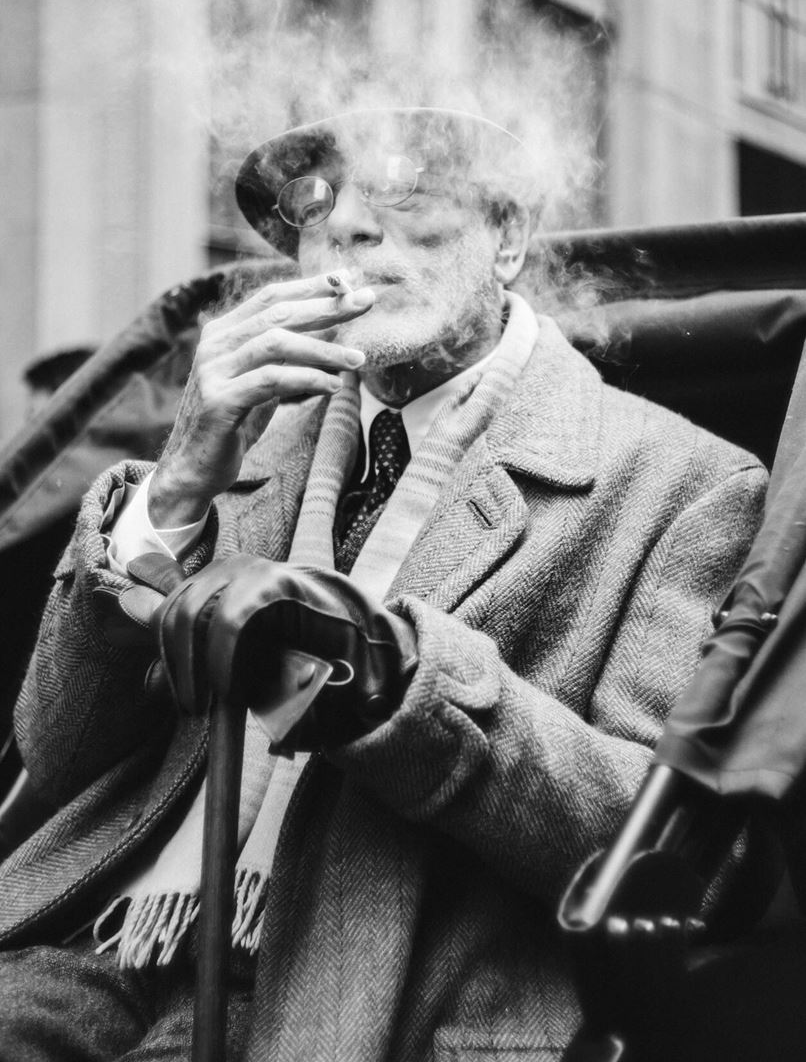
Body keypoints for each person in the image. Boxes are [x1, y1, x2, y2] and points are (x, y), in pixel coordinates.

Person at [0, 107, 765, 1061]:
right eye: (315, 202)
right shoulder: (238, 438)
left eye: (405, 191)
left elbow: (690, 862)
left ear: (508, 236)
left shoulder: (684, 484)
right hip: (96, 944)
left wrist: (398, 680)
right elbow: (58, 753)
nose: (351, 227)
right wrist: (180, 479)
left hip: (379, 997)